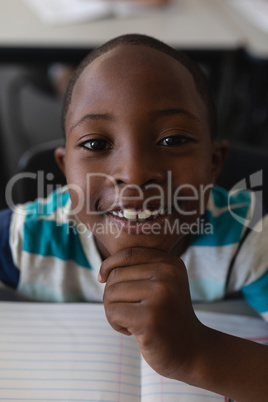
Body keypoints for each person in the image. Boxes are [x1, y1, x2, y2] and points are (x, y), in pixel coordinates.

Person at [1, 34, 268, 400]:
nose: (135, 172)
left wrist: (196, 352)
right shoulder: (27, 238)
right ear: (65, 170)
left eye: (173, 140)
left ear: (213, 163)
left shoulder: (249, 240)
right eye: (96, 144)